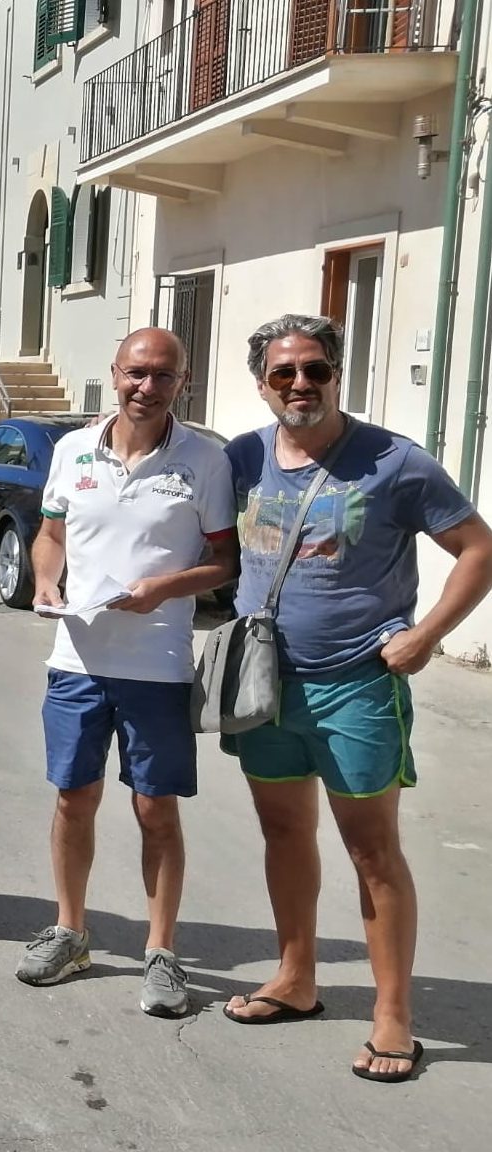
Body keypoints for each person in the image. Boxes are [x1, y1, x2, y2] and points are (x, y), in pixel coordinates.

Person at [219, 314, 492, 1083]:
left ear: (337, 373)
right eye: (282, 374)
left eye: (314, 370)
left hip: (356, 685)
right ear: (262, 383)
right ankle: (295, 977)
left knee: (371, 850)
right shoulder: (241, 457)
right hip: (264, 683)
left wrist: (427, 633)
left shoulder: (394, 463)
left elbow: (478, 548)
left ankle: (392, 1014)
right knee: (282, 832)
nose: (299, 385)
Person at [16, 329, 237, 1017]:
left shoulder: (205, 460)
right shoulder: (72, 450)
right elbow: (50, 535)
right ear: (113, 374)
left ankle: (161, 954)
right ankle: (69, 930)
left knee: (154, 811)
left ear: (182, 382)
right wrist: (44, 583)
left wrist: (163, 589)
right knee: (71, 799)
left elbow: (226, 562)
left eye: (162, 376)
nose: (146, 387)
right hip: (75, 660)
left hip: (157, 667)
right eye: (135, 374)